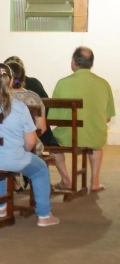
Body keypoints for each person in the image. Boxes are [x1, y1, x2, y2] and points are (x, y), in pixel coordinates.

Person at [0, 64, 58, 226]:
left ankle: (1, 205)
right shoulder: (19, 107)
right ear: (11, 82)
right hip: (11, 158)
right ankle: (44, 215)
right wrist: (24, 152)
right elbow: (31, 142)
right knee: (40, 169)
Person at [48, 47, 114, 192]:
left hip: (68, 137)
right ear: (91, 63)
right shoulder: (104, 84)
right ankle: (95, 182)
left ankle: (66, 180)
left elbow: (53, 118)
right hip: (95, 136)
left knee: (52, 144)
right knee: (97, 144)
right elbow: (108, 118)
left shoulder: (62, 83)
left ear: (73, 62)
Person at [6, 60, 46, 150]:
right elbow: (42, 128)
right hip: (29, 146)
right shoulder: (34, 97)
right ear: (23, 77)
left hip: (4, 145)